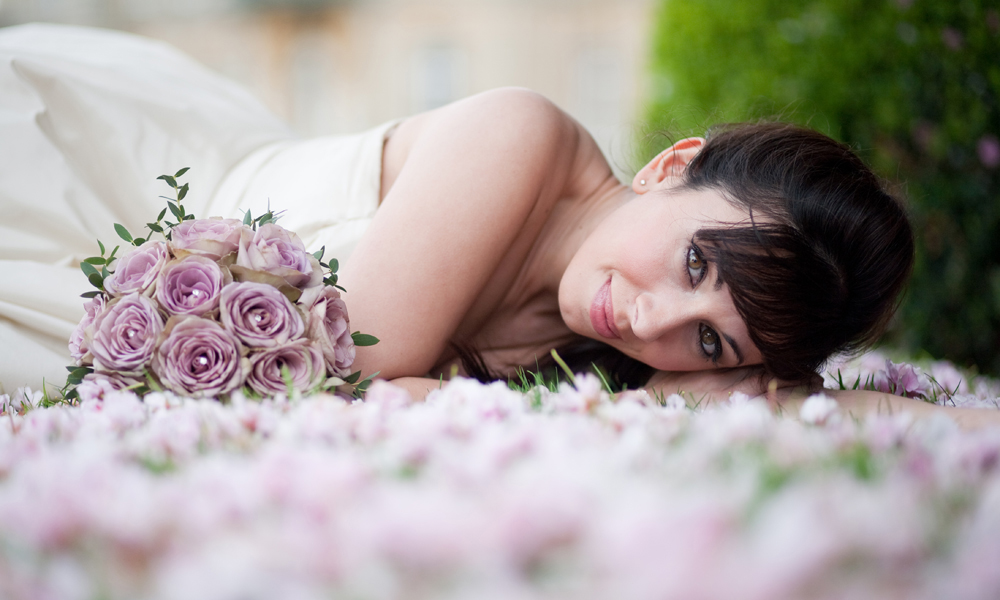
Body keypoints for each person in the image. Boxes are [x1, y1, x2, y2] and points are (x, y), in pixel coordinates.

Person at [0, 24, 993, 428]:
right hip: (107, 204)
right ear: (670, 164)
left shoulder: (613, 353)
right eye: (694, 257)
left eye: (707, 338)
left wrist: (898, 413)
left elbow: (794, 400)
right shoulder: (522, 140)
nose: (648, 320)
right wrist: (660, 407)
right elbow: (350, 376)